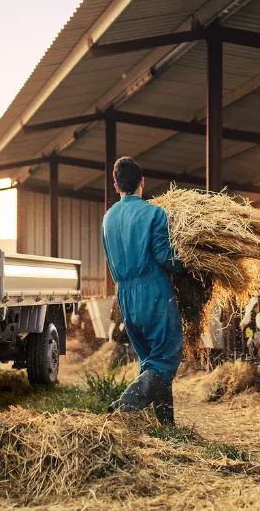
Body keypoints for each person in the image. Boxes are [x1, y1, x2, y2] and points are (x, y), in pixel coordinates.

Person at [101, 157, 184, 425]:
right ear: (142, 182)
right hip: (154, 292)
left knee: (151, 361)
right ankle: (126, 405)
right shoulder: (154, 213)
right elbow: (164, 257)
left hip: (125, 297)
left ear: (116, 186)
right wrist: (190, 263)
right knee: (166, 358)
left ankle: (166, 425)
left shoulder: (108, 218)